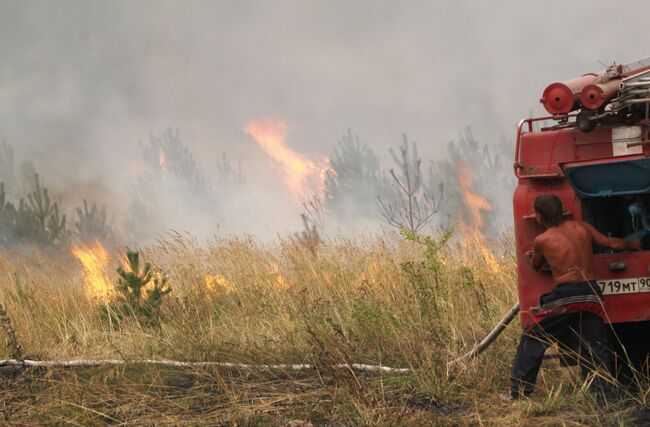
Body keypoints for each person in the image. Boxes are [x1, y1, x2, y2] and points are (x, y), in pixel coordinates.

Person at [510, 194, 641, 400]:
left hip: (568, 295)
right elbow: (612, 244)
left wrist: (534, 256)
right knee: (595, 346)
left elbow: (537, 266)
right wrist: (632, 246)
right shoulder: (583, 227)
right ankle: (605, 397)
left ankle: (519, 393)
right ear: (561, 210)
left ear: (540, 216)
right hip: (592, 294)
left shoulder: (542, 240)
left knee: (533, 336)